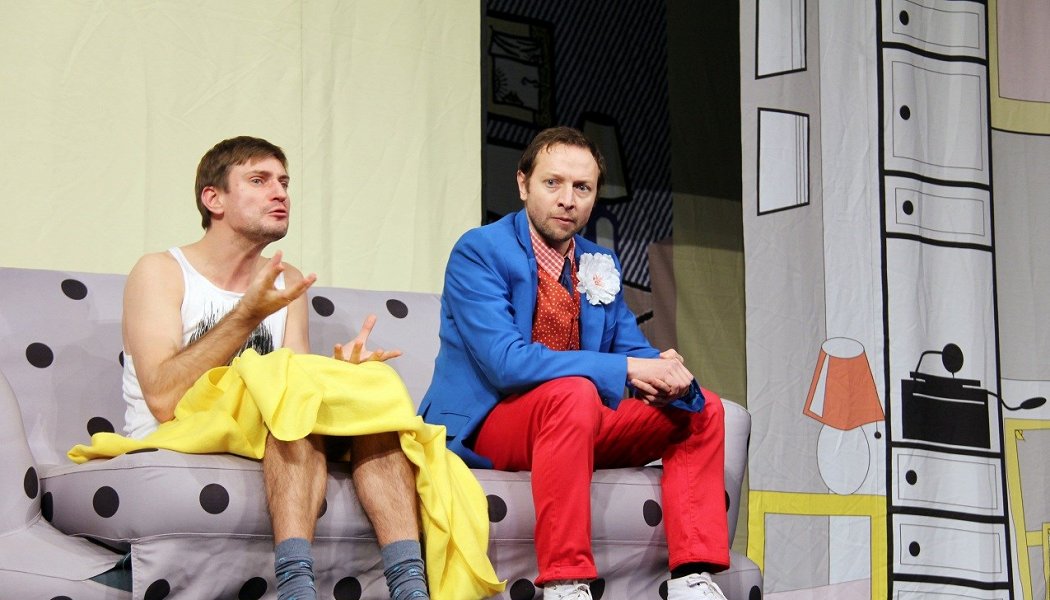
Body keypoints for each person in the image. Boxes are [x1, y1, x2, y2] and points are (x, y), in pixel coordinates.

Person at [419, 127, 730, 600]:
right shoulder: (479, 251)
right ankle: (567, 582)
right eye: (553, 183)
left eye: (582, 187)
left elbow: (629, 347)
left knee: (701, 408)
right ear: (523, 184)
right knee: (575, 393)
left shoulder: (597, 260)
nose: (567, 200)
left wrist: (668, 372)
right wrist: (628, 370)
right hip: (490, 422)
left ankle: (692, 577)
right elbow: (505, 363)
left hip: (575, 422)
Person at [121, 136, 428, 600]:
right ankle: (296, 589)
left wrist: (342, 378)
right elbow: (163, 398)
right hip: (179, 431)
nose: (280, 193)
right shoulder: (161, 271)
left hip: (261, 429)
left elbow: (295, 382)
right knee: (290, 401)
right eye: (259, 180)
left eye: (284, 182)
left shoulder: (288, 280)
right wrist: (246, 315)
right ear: (214, 199)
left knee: (370, 394)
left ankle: (410, 588)